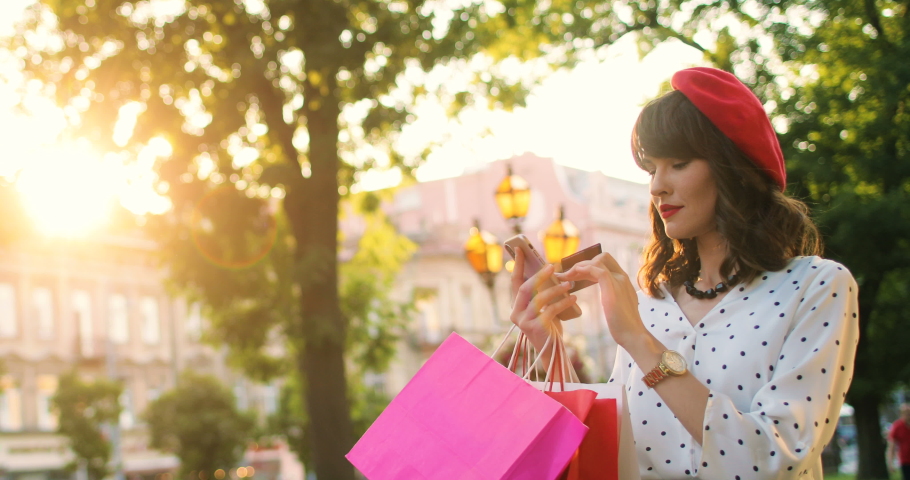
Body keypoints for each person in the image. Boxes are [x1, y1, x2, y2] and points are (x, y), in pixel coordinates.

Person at [509, 67, 859, 479]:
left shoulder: (816, 287)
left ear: (733, 168)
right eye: (651, 169)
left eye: (678, 163)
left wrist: (640, 341)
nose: (657, 185)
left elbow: (768, 462)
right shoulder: (652, 302)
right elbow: (615, 449)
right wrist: (548, 346)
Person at [888, 404, 910, 479]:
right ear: (901, 414)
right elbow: (892, 446)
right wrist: (891, 463)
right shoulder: (897, 426)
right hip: (905, 460)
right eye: (906, 413)